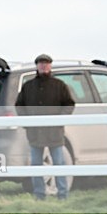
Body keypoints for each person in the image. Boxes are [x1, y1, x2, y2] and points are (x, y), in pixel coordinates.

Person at [15, 54, 76, 200]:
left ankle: (62, 194)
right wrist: (27, 123)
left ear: (50, 66)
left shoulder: (59, 85)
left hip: (54, 133)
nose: (44, 66)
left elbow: (69, 104)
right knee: (36, 165)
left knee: (59, 163)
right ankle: (39, 194)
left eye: (46, 63)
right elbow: (19, 106)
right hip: (35, 133)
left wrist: (59, 119)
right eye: (41, 63)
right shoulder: (28, 86)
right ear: (37, 66)